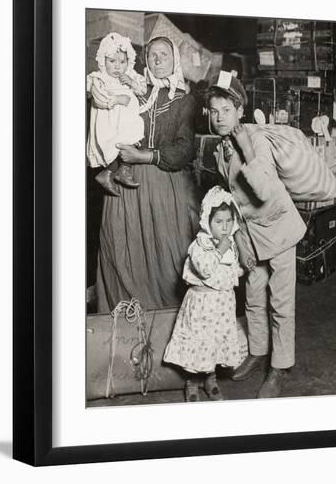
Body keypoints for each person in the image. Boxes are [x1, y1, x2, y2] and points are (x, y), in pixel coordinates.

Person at [206, 72, 307, 398]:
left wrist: (247, 147)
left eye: (226, 110)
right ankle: (259, 351)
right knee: (252, 296)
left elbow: (262, 189)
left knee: (280, 303)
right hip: (249, 233)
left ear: (240, 110)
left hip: (278, 229)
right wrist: (237, 241)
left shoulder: (256, 139)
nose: (219, 117)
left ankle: (280, 367)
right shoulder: (219, 147)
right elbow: (230, 198)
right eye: (214, 111)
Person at [93, 36, 200, 313]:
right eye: (152, 55)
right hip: (125, 188)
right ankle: (122, 331)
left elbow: (184, 150)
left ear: (175, 60)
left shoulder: (185, 101)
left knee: (166, 259)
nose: (157, 59)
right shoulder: (133, 91)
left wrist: (144, 155)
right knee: (122, 253)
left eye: (164, 54)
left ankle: (170, 328)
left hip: (164, 187)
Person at [163, 186, 244, 402]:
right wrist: (220, 250)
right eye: (219, 222)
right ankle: (192, 381)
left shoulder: (231, 243)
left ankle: (211, 378)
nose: (224, 227)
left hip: (221, 304)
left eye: (228, 221)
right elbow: (205, 268)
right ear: (207, 221)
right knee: (198, 343)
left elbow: (230, 270)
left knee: (214, 342)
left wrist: (243, 268)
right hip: (201, 304)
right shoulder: (199, 245)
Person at [87, 32, 147, 196]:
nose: (117, 66)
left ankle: (122, 171)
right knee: (114, 144)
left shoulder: (131, 75)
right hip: (109, 120)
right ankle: (107, 172)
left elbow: (143, 90)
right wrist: (117, 99)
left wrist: (132, 83)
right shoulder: (99, 78)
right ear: (102, 61)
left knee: (134, 136)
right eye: (112, 61)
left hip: (128, 119)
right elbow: (98, 99)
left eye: (122, 61)